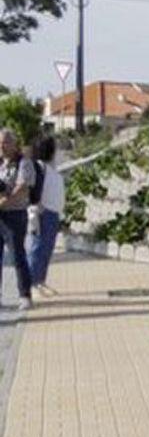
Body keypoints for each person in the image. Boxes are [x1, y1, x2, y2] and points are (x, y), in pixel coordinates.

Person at [0, 129, 39, 310]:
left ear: (14, 144)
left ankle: (25, 296)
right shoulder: (1, 163)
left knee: (17, 256)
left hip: (14, 215)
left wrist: (5, 201)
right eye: (0, 142)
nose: (2, 146)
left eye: (6, 142)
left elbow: (22, 187)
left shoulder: (24, 163)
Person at [28, 135, 63, 296]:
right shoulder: (39, 167)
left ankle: (40, 280)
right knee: (38, 248)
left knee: (47, 249)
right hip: (43, 212)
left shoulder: (51, 167)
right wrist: (36, 205)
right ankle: (32, 283)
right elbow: (31, 188)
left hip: (53, 213)